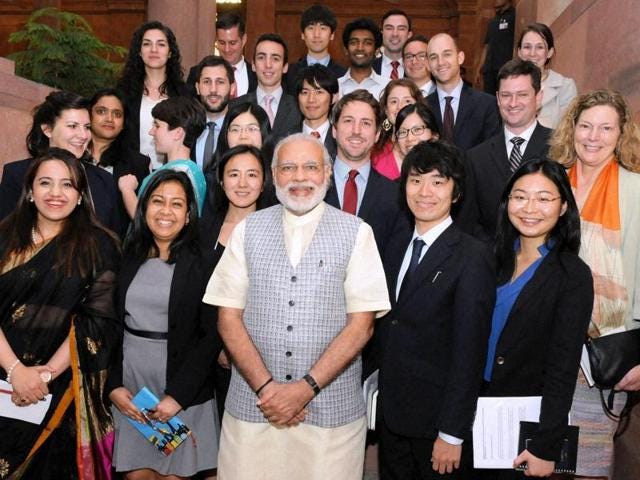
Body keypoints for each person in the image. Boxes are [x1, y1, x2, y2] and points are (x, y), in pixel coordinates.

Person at [203, 133, 390, 479]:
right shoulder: (248, 230)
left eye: (310, 167)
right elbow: (228, 318)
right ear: (274, 176)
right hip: (252, 409)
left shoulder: (357, 232)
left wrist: (304, 389)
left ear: (327, 173)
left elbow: (361, 325)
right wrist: (267, 389)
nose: (300, 177)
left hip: (330, 417)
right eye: (288, 168)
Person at [377, 140, 495, 479]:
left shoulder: (472, 256)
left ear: (456, 192)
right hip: (392, 418)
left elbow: (470, 351)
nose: (424, 191)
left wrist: (452, 432)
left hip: (436, 427)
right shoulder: (395, 244)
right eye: (415, 180)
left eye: (438, 181)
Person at [0, 148, 120, 479]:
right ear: (29, 191)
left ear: (81, 195)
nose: (56, 194)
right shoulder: (4, 239)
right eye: (45, 183)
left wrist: (44, 375)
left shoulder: (101, 246)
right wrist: (16, 371)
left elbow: (97, 323)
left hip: (62, 391)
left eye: (67, 185)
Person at [478, 158, 593, 479]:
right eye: (520, 196)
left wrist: (546, 445)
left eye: (544, 198)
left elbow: (563, 367)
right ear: (507, 202)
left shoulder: (572, 275)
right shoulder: (489, 258)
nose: (530, 208)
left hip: (524, 419)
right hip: (474, 408)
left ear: (563, 207)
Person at [549, 89, 640, 478]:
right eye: (585, 125)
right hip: (544, 346)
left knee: (587, 464)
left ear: (621, 135)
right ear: (572, 129)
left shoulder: (635, 191)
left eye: (606, 128)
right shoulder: (550, 183)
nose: (593, 136)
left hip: (604, 355)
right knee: (539, 459)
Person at [108, 169, 220, 479]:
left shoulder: (204, 264)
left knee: (175, 475)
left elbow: (211, 337)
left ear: (188, 215)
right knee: (137, 474)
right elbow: (111, 327)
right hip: (134, 392)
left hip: (181, 393)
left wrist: (178, 397)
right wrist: (114, 384)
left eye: (176, 204)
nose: (165, 211)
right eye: (157, 201)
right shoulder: (126, 256)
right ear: (144, 208)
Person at [202, 144, 272, 420]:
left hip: (260, 357)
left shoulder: (275, 229)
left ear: (264, 181)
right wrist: (216, 347)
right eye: (233, 175)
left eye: (252, 175)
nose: (242, 184)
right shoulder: (203, 229)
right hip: (205, 358)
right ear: (221, 180)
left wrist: (236, 348)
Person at [457, 59, 552, 241]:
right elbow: (468, 222)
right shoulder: (476, 158)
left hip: (545, 261)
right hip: (490, 261)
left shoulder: (559, 148)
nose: (513, 103)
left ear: (538, 98)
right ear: (498, 99)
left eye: (522, 95)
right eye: (506, 95)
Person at [0, 91, 119, 230]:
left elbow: (114, 238)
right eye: (72, 126)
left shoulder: (104, 179)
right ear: (47, 129)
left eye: (87, 127)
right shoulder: (17, 174)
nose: (83, 135)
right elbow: (6, 235)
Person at [324, 89, 401, 259]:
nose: (356, 130)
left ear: (377, 134)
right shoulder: (311, 187)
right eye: (348, 121)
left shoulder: (395, 195)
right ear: (334, 130)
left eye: (366, 123)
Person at [119, 96, 207, 219]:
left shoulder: (179, 173)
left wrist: (127, 190)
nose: (151, 131)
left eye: (157, 125)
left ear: (178, 133)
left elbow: (149, 221)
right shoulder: (190, 170)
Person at [117, 21, 188, 170]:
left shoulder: (183, 94)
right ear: (139, 51)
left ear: (170, 52)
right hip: (131, 175)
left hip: (174, 173)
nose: (153, 50)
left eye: (161, 44)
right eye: (147, 44)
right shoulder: (124, 92)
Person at [87, 88, 151, 236]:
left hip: (117, 248)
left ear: (123, 123)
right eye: (101, 111)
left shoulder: (138, 164)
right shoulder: (72, 156)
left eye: (117, 114)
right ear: (89, 115)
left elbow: (143, 219)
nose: (109, 119)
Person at [426, 33, 501, 151]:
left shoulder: (487, 105)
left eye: (447, 54)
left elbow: (491, 153)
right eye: (434, 57)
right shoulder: (422, 107)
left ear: (460, 58)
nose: (441, 62)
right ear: (428, 65)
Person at [232, 33, 301, 142]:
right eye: (261, 57)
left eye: (275, 58)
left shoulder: (299, 108)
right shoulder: (235, 106)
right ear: (253, 65)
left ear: (285, 67)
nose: (268, 65)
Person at [517, 23, 577, 129]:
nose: (532, 53)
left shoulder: (565, 86)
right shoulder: (508, 84)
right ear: (519, 52)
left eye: (539, 47)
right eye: (527, 47)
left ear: (549, 52)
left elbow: (567, 130)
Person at [284, 4, 346, 95]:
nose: (316, 34)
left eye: (323, 28)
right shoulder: (289, 73)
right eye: (311, 28)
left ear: (332, 35)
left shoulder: (343, 75)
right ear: (302, 34)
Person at [191, 55, 236, 172]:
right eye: (207, 82)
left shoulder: (239, 132)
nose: (213, 90)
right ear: (197, 87)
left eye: (220, 82)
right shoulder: (185, 129)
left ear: (232, 88)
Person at [372, 78, 423, 180]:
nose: (400, 106)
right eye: (394, 101)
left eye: (407, 101)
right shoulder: (373, 149)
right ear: (386, 109)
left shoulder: (428, 144)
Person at [293, 64, 339, 159]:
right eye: (305, 92)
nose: (311, 99)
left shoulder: (341, 139)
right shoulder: (284, 137)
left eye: (319, 92)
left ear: (334, 97)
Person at [386, 102, 440, 180]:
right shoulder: (392, 187)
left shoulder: (451, 176)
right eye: (403, 132)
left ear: (434, 136)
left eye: (417, 129)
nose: (410, 138)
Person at [473, 0, 516, 95]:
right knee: (489, 102)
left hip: (505, 68)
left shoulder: (514, 16)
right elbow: (486, 46)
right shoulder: (493, 20)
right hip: (489, 69)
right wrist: (479, 69)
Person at [338, 17, 385, 100]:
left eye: (367, 43)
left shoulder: (387, 87)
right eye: (354, 42)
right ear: (346, 50)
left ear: (377, 51)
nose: (360, 48)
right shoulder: (335, 87)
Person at [212, 12, 257, 97]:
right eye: (222, 43)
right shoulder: (198, 74)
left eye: (232, 43)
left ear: (243, 40)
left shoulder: (257, 76)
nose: (227, 49)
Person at [373, 10, 413, 84]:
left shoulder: (419, 68)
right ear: (382, 33)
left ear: (409, 35)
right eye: (389, 28)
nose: (395, 34)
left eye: (401, 28)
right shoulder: (369, 68)